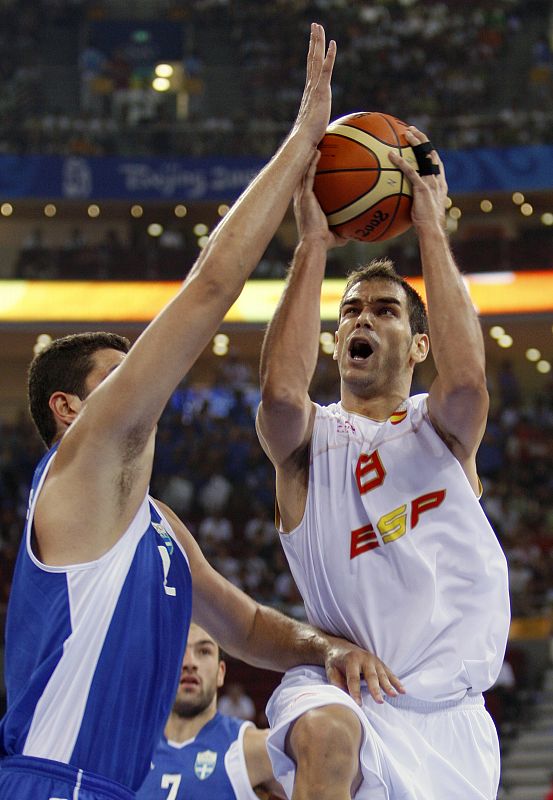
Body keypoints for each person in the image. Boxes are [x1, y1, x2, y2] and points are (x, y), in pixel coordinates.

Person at [0, 26, 402, 800]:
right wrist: (302, 140)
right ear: (69, 407)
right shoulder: (79, 469)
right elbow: (211, 286)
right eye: (116, 378)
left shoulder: (154, 524)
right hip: (56, 781)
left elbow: (246, 627)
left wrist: (325, 648)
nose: (139, 388)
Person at [256, 129, 511, 798]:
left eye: (385, 310)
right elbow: (279, 396)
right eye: (350, 312)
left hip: (452, 722)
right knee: (324, 731)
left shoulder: (441, 429)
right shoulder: (308, 443)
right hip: (348, 688)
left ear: (419, 344)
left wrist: (429, 224)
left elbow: (468, 381)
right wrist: (312, 244)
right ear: (336, 338)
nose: (361, 320)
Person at [136, 623, 284, 800]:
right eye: (179, 650)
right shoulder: (131, 750)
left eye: (204, 651)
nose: (190, 663)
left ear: (221, 672)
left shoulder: (250, 748)